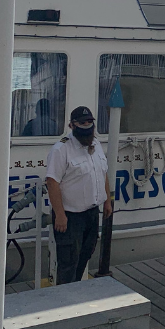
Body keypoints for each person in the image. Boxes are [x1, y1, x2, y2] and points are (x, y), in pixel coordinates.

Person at [45, 106, 112, 284]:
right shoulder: (61, 149)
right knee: (68, 263)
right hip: (70, 217)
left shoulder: (96, 144)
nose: (87, 125)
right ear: (72, 125)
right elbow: (52, 182)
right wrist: (60, 214)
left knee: (85, 255)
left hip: (91, 213)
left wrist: (107, 201)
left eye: (90, 122)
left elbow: (102, 173)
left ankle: (75, 296)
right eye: (82, 122)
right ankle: (63, 303)